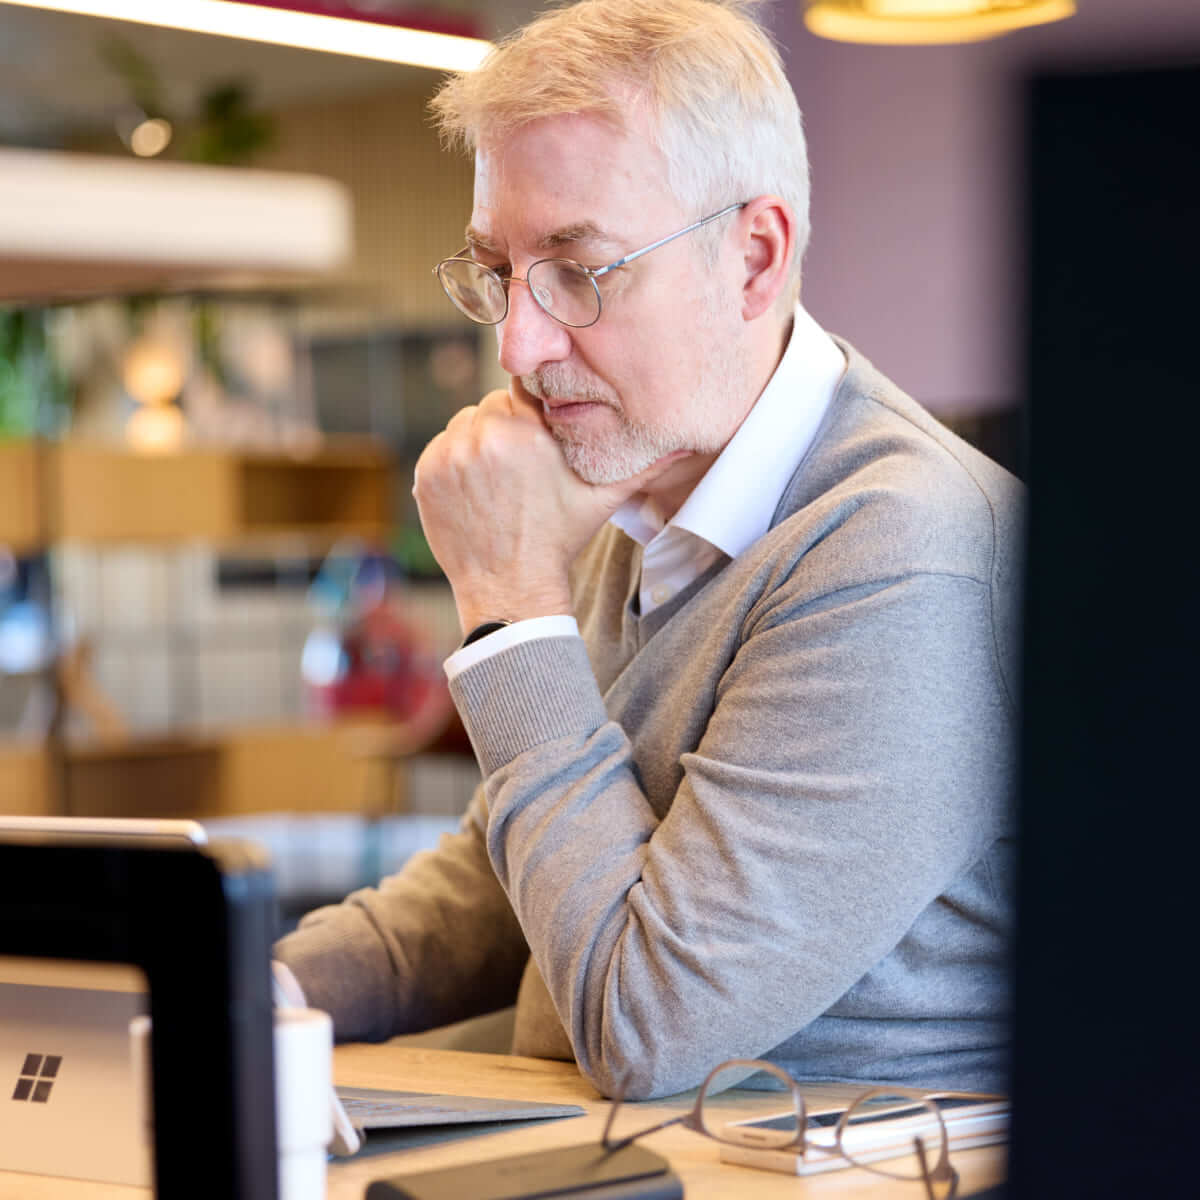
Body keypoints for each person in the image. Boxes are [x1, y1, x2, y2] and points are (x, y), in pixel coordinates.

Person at [274, 0, 1024, 1101]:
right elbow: (505, 887)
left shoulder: (906, 550)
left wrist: (510, 605)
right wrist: (242, 989)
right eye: (499, 270)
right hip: (629, 1155)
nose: (520, 345)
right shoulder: (640, 497)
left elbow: (651, 1028)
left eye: (580, 270)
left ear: (755, 259)